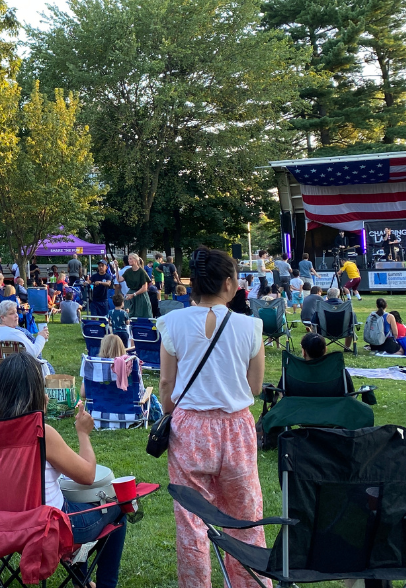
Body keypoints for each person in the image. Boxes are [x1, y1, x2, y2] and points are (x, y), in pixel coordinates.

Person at [158, 246, 266, 588]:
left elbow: (166, 383)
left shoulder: (172, 322)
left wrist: (170, 413)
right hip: (236, 426)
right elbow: (256, 386)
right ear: (229, 283)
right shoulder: (250, 327)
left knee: (191, 521)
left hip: (189, 425)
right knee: (245, 517)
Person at [0, 353, 128, 588]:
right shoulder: (42, 432)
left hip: (2, 522)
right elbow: (87, 476)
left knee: (71, 499)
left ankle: (82, 579)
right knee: (119, 505)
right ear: (35, 391)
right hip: (47, 527)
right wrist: (83, 433)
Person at [0, 299, 51, 372]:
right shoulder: (14, 333)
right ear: (2, 317)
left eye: (16, 312)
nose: (16, 315)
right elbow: (34, 353)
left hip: (1, 374)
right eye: (11, 313)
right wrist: (41, 336)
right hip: (20, 375)